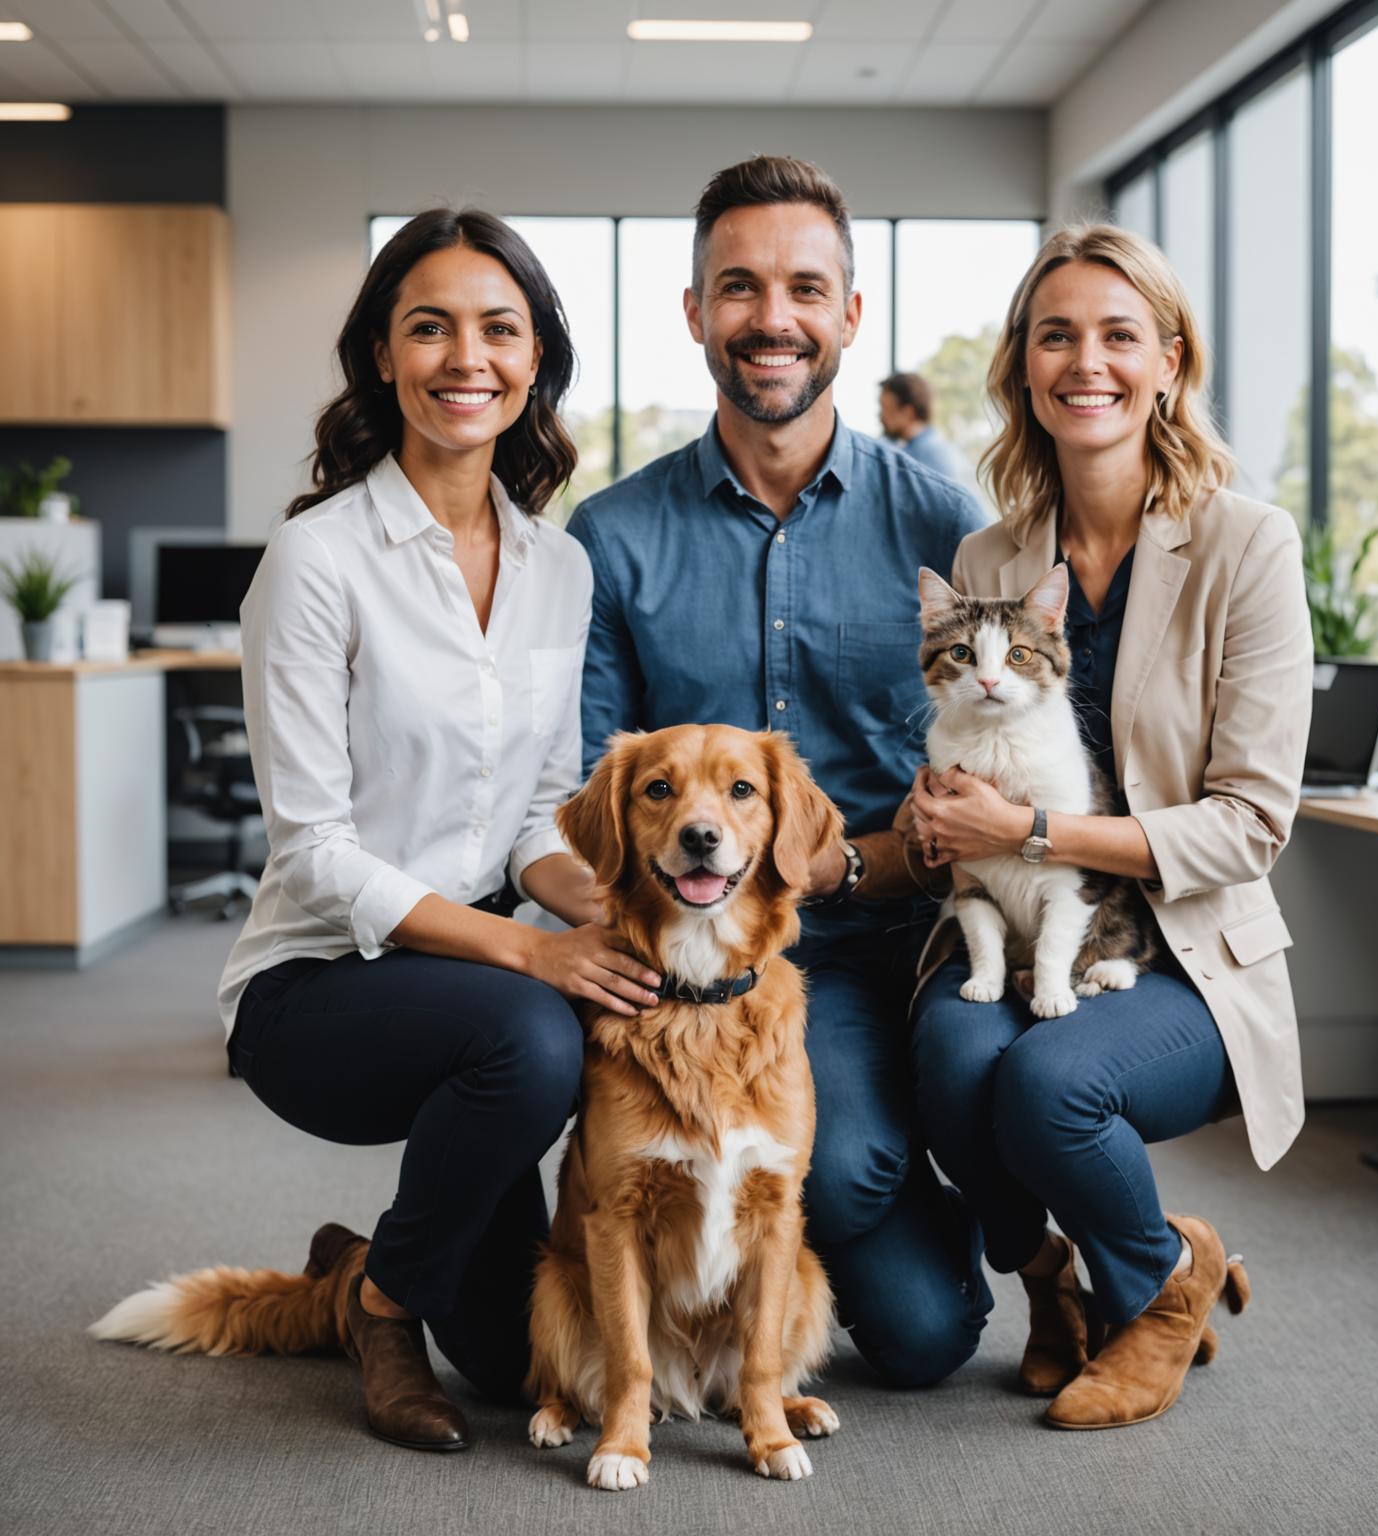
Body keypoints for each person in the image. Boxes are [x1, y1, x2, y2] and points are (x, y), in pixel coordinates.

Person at [217, 209, 662, 1452]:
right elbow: (314, 848)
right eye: (430, 328)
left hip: (463, 981)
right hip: (318, 986)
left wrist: (626, 917)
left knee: (525, 1364)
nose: (466, 357)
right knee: (533, 1036)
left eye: (499, 329)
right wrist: (531, 950)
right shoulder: (317, 562)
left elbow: (532, 811)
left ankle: (370, 1258)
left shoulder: (555, 569)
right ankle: (379, 1304)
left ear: (534, 364)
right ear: (381, 358)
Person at [566, 156, 991, 1389]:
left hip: (881, 942)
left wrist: (860, 861)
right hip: (687, 958)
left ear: (850, 315)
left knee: (916, 1334)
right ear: (695, 312)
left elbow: (982, 764)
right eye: (739, 287)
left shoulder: (939, 524)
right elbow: (597, 800)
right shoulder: (617, 534)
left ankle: (899, 1174)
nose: (773, 317)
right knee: (532, 1334)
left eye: (806, 287)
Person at [907, 224, 1312, 1429]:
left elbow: (1248, 826)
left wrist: (1034, 831)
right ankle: (1055, 1284)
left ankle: (1160, 1291)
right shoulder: (992, 552)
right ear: (1025, 368)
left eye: (1119, 335)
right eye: (1056, 336)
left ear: (1170, 361)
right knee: (947, 1056)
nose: (1088, 362)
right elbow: (966, 750)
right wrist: (937, 819)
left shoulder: (1248, 544)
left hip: (1182, 949)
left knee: (1045, 1086)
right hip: (1017, 916)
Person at [878, 370, 972, 484]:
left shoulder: (925, 456)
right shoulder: (933, 445)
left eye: (886, 408)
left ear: (908, 412)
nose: (881, 416)